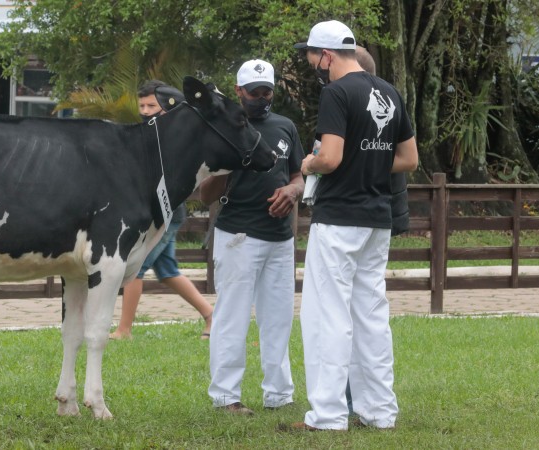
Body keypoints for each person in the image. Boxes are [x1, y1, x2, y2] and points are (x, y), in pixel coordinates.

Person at [292, 20, 418, 431]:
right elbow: (409, 159)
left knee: (327, 315)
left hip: (340, 217)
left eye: (314, 58)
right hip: (377, 218)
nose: (316, 67)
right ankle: (379, 412)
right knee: (370, 316)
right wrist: (371, 164)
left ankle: (327, 415)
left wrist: (308, 163)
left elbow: (329, 158)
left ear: (327, 54)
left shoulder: (337, 93)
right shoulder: (389, 92)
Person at [200, 59, 304, 415]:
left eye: (267, 92)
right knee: (233, 317)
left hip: (280, 237)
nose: (262, 99)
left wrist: (293, 192)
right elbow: (204, 194)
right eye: (254, 93)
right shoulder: (223, 129)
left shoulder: (286, 127)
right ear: (238, 92)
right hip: (238, 236)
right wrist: (228, 163)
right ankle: (226, 396)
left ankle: (279, 394)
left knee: (279, 318)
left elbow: (298, 176)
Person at [109, 80, 214, 340]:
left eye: (151, 106)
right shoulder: (150, 134)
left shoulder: (171, 139)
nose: (144, 111)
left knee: (135, 268)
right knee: (168, 272)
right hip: (159, 214)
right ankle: (211, 315)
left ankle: (124, 330)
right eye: (142, 105)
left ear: (168, 110)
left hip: (167, 216)